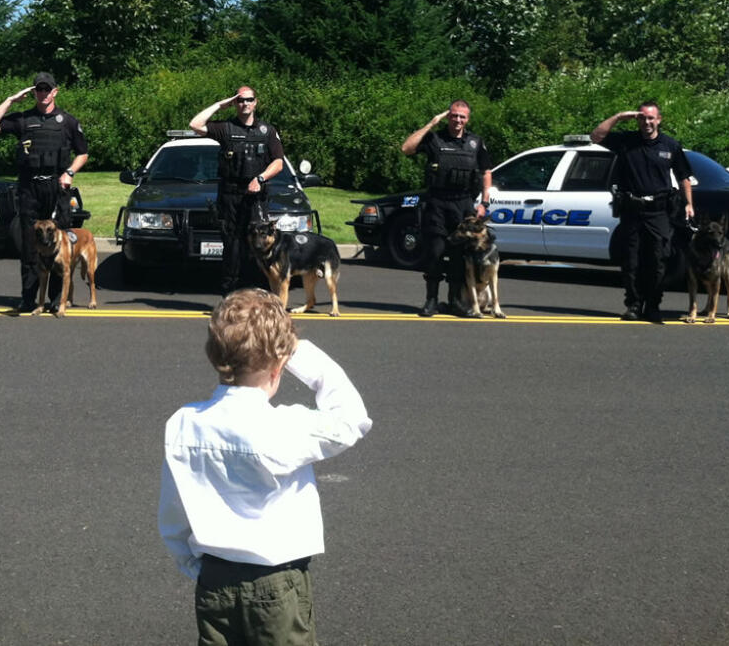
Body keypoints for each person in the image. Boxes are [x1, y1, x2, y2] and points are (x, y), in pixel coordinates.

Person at [158, 288, 372, 646]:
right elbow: (352, 419)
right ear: (279, 365)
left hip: (215, 578)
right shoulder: (283, 426)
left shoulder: (183, 423)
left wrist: (194, 566)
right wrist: (297, 352)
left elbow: (174, 511)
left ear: (215, 354)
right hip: (276, 583)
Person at [0, 72, 88, 314]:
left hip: (57, 186)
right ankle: (28, 299)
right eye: (39, 89)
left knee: (59, 243)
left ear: (55, 91)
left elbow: (83, 153)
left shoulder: (68, 122)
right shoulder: (23, 119)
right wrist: (10, 100)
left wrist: (69, 172)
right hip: (30, 188)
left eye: (47, 89)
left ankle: (55, 300)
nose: (43, 93)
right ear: (34, 92)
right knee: (31, 246)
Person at [591, 101, 695, 322]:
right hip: (632, 209)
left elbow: (684, 177)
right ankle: (634, 305)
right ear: (637, 119)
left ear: (659, 120)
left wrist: (689, 204)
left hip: (659, 211)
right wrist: (619, 116)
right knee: (631, 261)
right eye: (642, 118)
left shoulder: (670, 145)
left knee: (657, 261)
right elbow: (596, 136)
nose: (647, 122)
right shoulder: (626, 141)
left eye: (651, 118)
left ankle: (653, 306)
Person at [401, 99, 493, 317]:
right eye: (454, 115)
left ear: (468, 119)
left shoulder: (475, 143)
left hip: (463, 205)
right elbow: (406, 148)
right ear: (448, 116)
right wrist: (431, 124)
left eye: (462, 116)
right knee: (435, 252)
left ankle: (455, 302)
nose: (457, 120)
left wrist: (484, 202)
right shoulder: (434, 138)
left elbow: (486, 172)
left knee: (460, 255)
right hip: (437, 203)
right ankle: (431, 300)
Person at [190, 87, 284, 295]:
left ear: (255, 102)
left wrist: (260, 178)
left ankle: (262, 293)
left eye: (249, 100)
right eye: (240, 101)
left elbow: (278, 163)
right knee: (232, 247)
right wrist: (219, 105)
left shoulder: (267, 131)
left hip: (256, 196)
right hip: (230, 196)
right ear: (235, 103)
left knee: (261, 246)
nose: (245, 104)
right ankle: (229, 296)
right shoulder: (226, 128)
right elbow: (195, 124)